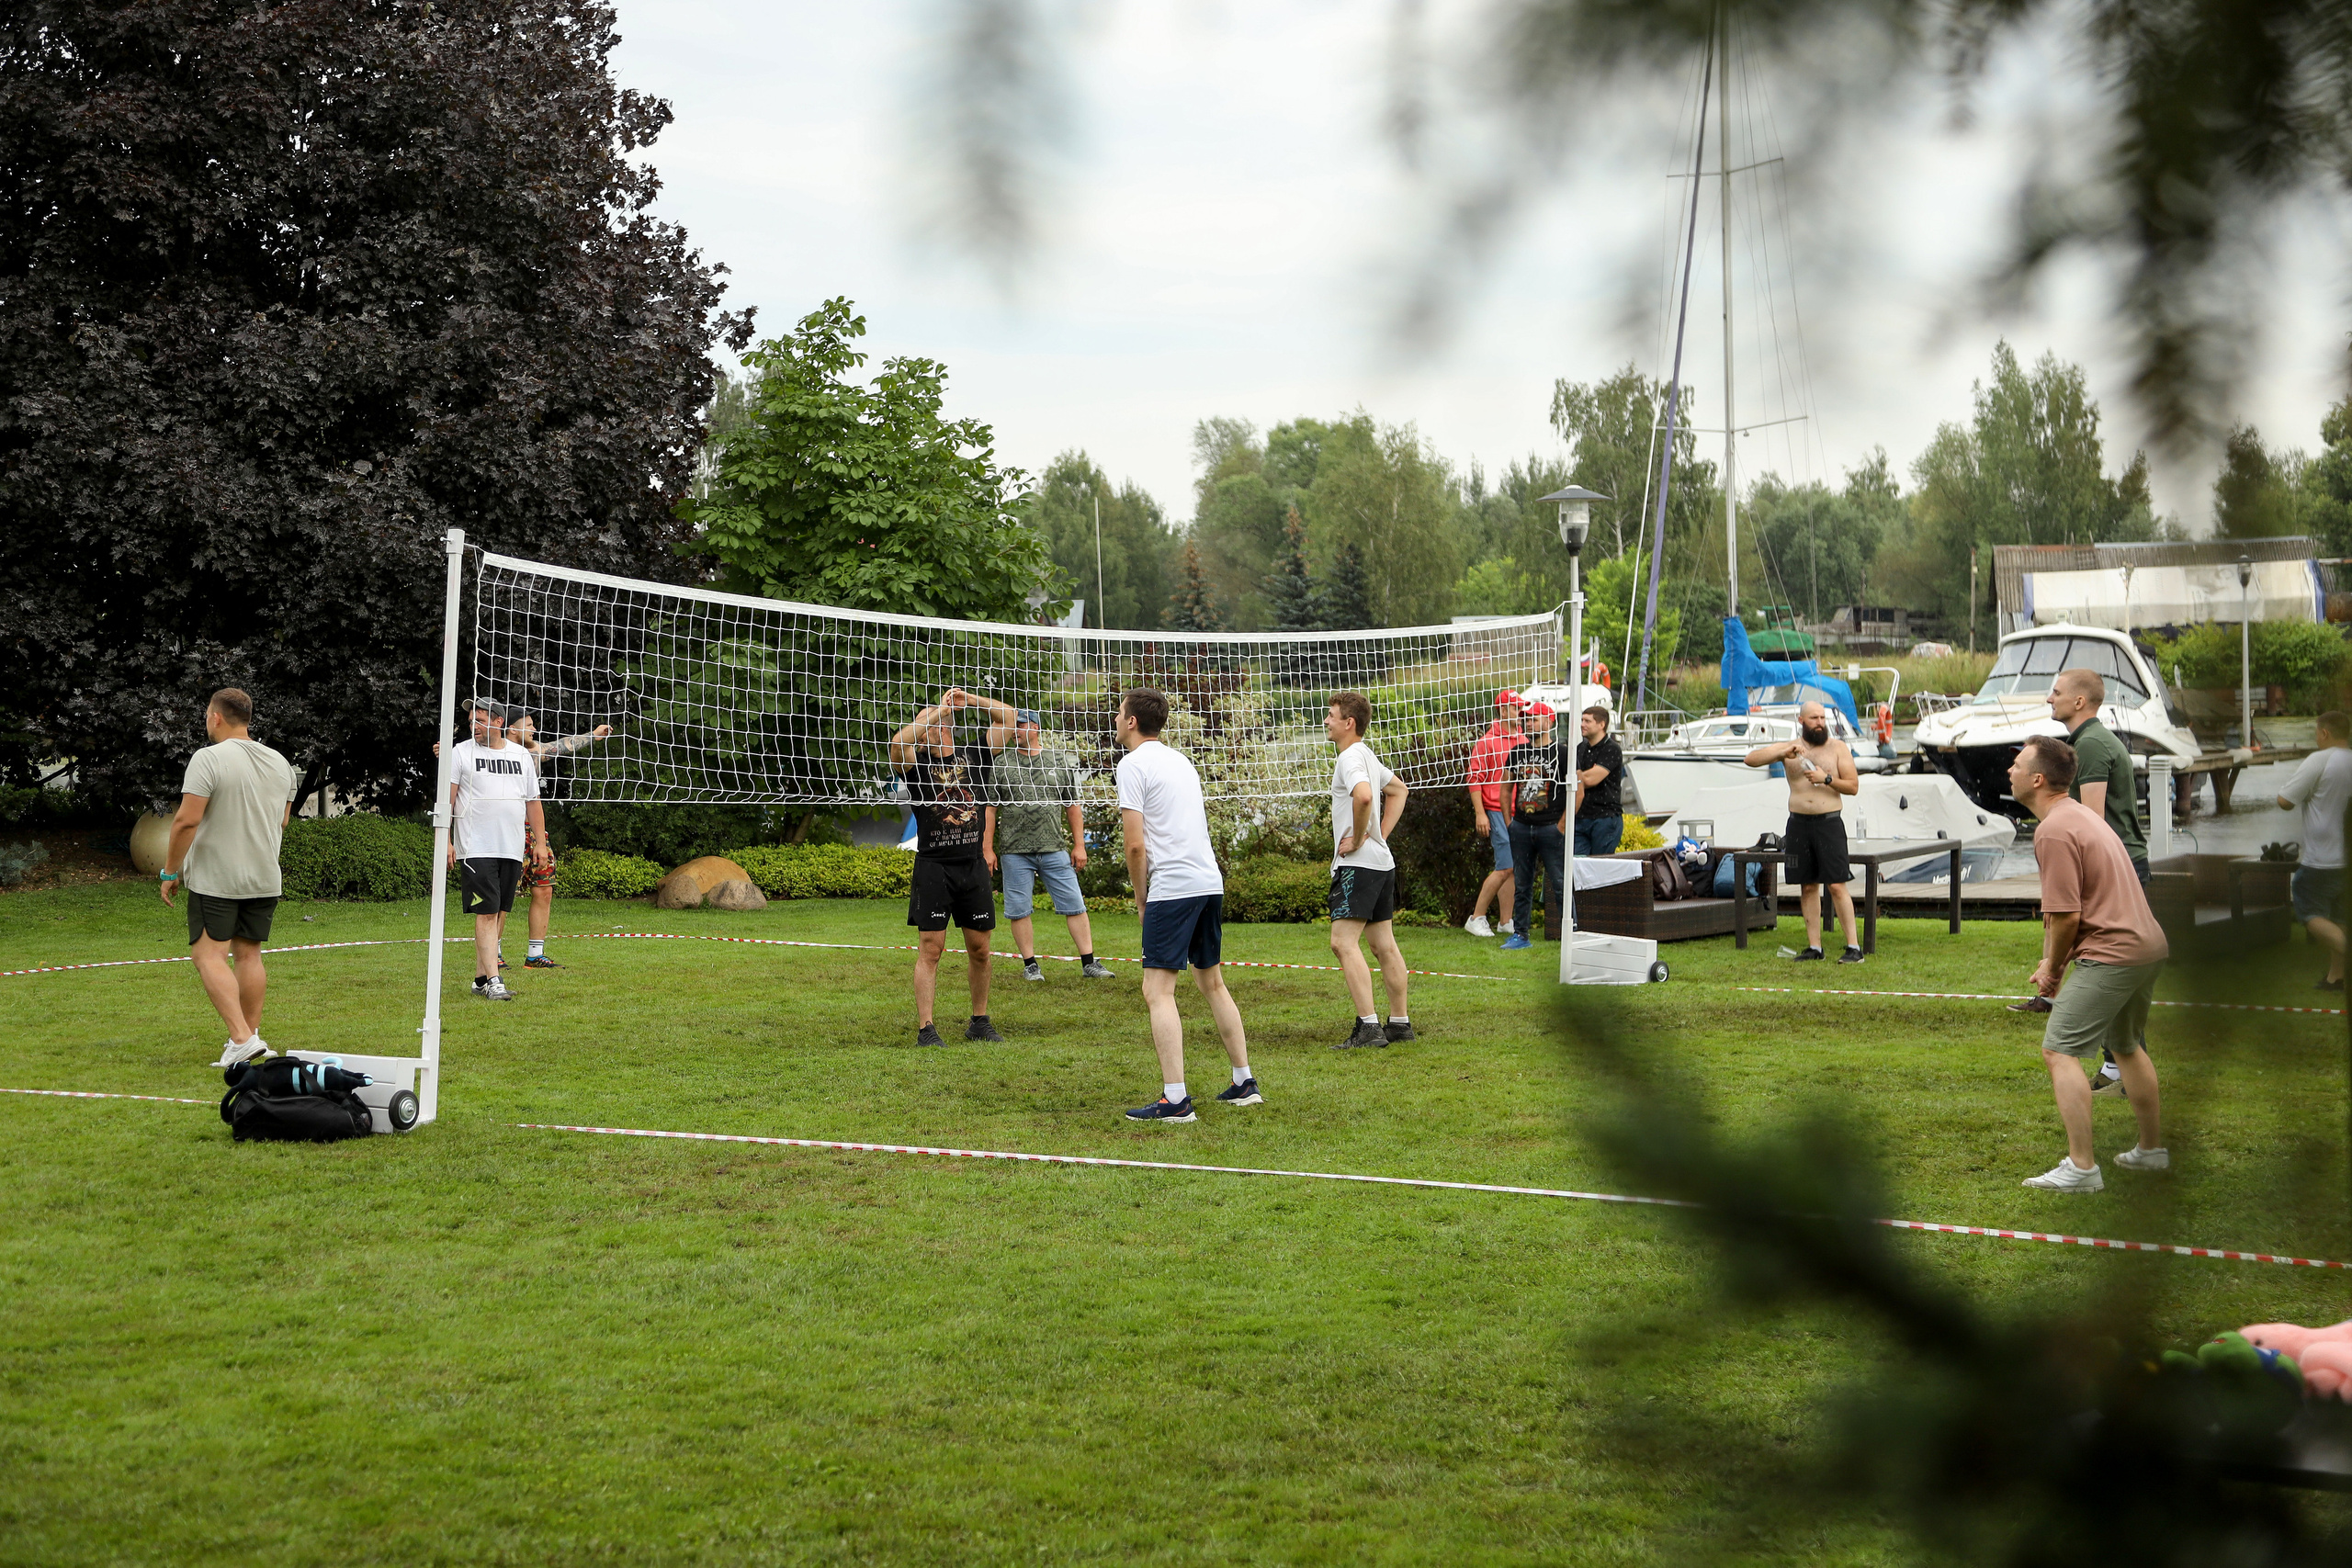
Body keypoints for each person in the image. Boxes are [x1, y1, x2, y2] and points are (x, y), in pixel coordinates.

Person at [2009, 735, 2168, 1190]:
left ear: (2038, 779)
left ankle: (2082, 1168)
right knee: (2127, 1044)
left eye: (2017, 765)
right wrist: (2053, 961)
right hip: (2148, 946)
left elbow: (2066, 917)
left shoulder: (2054, 829)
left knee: (2058, 1051)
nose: (2010, 771)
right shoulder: (2077, 815)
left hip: (2114, 953)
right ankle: (2151, 1151)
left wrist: (2053, 970)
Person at [1114, 687, 1257, 1122]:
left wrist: (1142, 897)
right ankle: (1243, 1081)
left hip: (1174, 886)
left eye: (1120, 714)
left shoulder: (1132, 764)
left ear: (1133, 721)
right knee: (1211, 982)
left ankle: (1175, 1100)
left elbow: (1135, 846)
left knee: (1157, 990)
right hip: (1208, 880)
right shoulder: (1181, 760)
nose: (1116, 721)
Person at [160, 688, 298, 1067]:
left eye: (207, 714)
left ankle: (240, 1038)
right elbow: (283, 820)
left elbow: (186, 820)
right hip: (264, 876)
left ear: (216, 717)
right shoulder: (281, 763)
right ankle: (250, 1039)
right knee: (249, 954)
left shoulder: (208, 759)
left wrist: (170, 871)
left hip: (218, 878)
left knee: (208, 954)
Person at [2028, 671, 2149, 1091]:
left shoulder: (2092, 745)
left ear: (2080, 702)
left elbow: (2092, 822)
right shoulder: (2087, 742)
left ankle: (2119, 1063)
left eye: (2056, 693)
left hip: (2116, 865)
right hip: (2119, 862)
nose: (2049, 699)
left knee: (2111, 972)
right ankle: (2122, 1059)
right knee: (2117, 975)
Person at [890, 687, 1015, 1046]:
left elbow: (1007, 717)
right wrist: (932, 714)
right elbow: (898, 744)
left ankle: (979, 1021)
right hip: (933, 866)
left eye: (929, 724)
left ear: (945, 729)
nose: (922, 729)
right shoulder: (915, 768)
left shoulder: (974, 753)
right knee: (931, 949)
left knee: (981, 950)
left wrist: (969, 703)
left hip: (972, 865)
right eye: (922, 723)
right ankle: (926, 1029)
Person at [990, 707, 1113, 982]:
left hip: (1053, 847)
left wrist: (1079, 845)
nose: (1015, 731)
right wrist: (987, 849)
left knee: (1075, 904)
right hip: (1014, 850)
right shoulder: (1001, 763)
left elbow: (1072, 805)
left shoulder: (1057, 761)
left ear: (1035, 728)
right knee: (1019, 909)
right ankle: (1030, 965)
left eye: (1021, 726)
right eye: (1014, 727)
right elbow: (990, 808)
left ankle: (1089, 963)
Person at [1325, 691, 1412, 1048]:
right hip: (1381, 863)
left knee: (1342, 942)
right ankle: (1400, 1024)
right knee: (1383, 945)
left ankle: (1369, 1028)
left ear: (1349, 723)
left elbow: (1363, 796)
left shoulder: (1350, 757)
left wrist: (1362, 838)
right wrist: (1379, 836)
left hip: (1360, 865)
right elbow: (1400, 790)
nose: (1326, 721)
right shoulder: (1366, 754)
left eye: (1331, 715)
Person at [1744, 699, 1861, 963]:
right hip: (1798, 824)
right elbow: (1750, 759)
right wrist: (1781, 752)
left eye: (1822, 718)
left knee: (1836, 885)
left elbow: (1853, 786)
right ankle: (1814, 947)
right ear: (1801, 721)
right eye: (1814, 719)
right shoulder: (1790, 749)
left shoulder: (1838, 748)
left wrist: (1826, 779)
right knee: (1807, 886)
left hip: (1829, 822)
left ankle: (1854, 947)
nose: (1820, 723)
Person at [449, 699, 551, 1001]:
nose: (473, 728)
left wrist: (541, 844)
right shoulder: (461, 753)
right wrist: (446, 843)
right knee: (486, 912)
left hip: (511, 847)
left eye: (479, 721)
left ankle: (481, 978)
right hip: (475, 847)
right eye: (470, 722)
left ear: (497, 722)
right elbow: (448, 799)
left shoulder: (520, 755)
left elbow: (533, 802)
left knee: (498, 913)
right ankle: (494, 980)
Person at [505, 714, 613, 969]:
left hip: (533, 830)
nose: (534, 729)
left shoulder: (534, 752)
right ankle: (494, 956)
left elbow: (564, 744)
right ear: (510, 728)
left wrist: (595, 735)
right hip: (505, 830)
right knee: (502, 895)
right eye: (528, 725)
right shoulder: (492, 753)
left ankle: (535, 955)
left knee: (544, 889)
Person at [2277, 709, 2352, 992]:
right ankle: (2337, 978)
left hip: (2323, 859)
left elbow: (2285, 800)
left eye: (2316, 733)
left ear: (2325, 733)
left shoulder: (2319, 760)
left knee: (2306, 908)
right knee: (2340, 917)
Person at [1500, 702, 1567, 952]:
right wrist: (1509, 822)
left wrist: (1561, 825)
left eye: (1534, 719)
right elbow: (1505, 789)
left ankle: (1570, 932)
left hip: (1550, 827)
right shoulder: (1517, 752)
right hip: (1521, 827)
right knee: (1522, 883)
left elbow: (1577, 791)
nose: (1529, 724)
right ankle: (1520, 934)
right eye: (1526, 720)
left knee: (1560, 882)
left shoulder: (1562, 753)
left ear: (1550, 721)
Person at [1463, 691, 1522, 938]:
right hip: (1496, 811)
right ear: (1503, 711)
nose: (1520, 712)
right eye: (1515, 707)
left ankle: (1506, 921)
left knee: (1511, 868)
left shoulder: (1524, 740)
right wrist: (1481, 814)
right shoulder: (1486, 742)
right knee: (1504, 867)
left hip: (1518, 812)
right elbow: (1474, 780)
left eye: (1520, 708)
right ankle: (1476, 917)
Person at [1571, 705, 1625, 857]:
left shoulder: (1612, 749)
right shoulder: (1580, 748)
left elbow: (1589, 780)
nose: (1582, 724)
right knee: (1577, 867)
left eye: (1587, 721)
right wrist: (1582, 775)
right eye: (1582, 720)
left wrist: (1578, 776)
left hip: (1605, 819)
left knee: (1600, 868)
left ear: (1602, 725)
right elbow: (1577, 778)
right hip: (1581, 817)